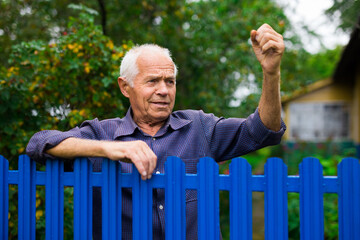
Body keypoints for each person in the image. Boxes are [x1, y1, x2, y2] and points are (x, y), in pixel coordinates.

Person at [26, 23, 286, 239]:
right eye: (152, 81)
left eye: (169, 81)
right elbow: (40, 143)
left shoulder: (200, 127)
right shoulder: (103, 132)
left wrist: (271, 72)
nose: (164, 90)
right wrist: (109, 148)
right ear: (125, 87)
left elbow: (264, 131)